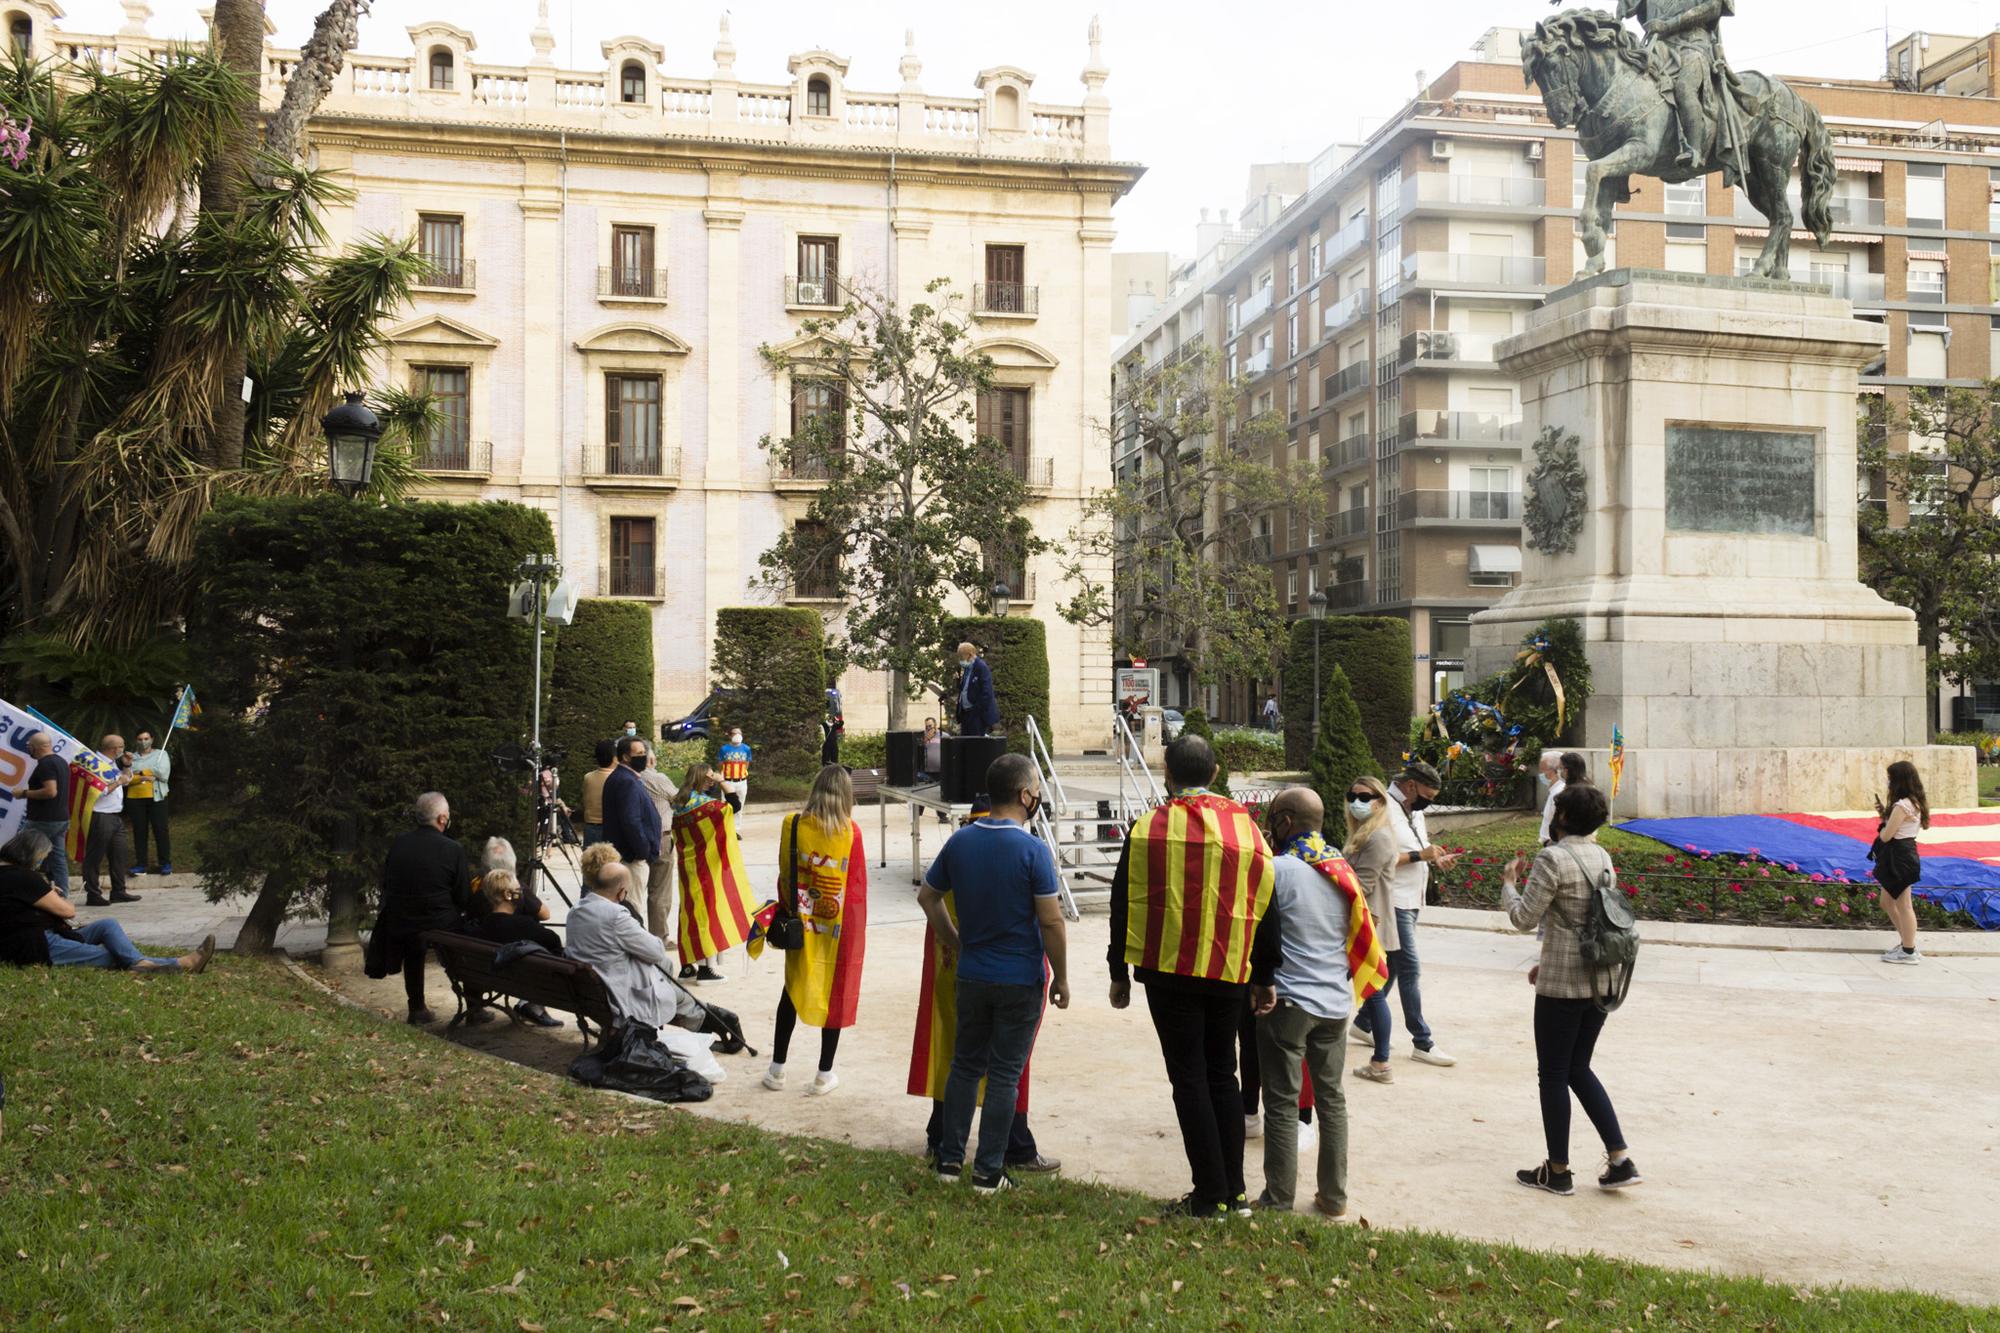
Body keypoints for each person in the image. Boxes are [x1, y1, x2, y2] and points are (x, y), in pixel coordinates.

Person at [1108, 734, 1275, 1219]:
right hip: (1229, 971)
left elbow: (1124, 903)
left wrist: (1118, 970)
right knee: (1223, 1073)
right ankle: (1236, 1193)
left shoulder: (1147, 828)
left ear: (1166, 772)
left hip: (1168, 971)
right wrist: (1264, 975)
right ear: (1216, 771)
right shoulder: (1248, 831)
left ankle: (1209, 1194)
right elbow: (1267, 908)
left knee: (1189, 1079)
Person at [919, 753, 1070, 1194]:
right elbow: (1051, 921)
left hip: (972, 973)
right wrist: (1060, 976)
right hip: (1019, 977)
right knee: (1004, 1074)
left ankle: (949, 1162)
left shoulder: (960, 842)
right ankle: (987, 1171)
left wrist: (954, 941)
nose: (1038, 797)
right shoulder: (1032, 850)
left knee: (964, 1066)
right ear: (1024, 795)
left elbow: (928, 898)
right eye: (1037, 791)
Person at [1249, 787, 1386, 1218]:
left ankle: (1278, 1198)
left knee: (1282, 1102)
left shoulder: (1279, 870)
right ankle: (1334, 1197)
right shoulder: (1339, 868)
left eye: (1273, 819)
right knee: (1332, 1101)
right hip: (1334, 1004)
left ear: (1285, 822)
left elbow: (1260, 935)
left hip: (1287, 1003)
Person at [1501, 782, 1641, 1195]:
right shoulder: (1602, 855)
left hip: (1562, 987)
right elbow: (1590, 919)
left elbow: (1525, 919)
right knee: (1579, 1068)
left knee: (1554, 1074)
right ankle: (1619, 1159)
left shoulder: (1553, 858)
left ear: (1561, 817)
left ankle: (1558, 1170)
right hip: (1600, 980)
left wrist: (1509, 885)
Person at [565, 858, 731, 1080]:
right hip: (618, 999)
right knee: (662, 972)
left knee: (662, 973)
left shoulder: (576, 911)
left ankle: (704, 1018)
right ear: (622, 892)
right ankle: (708, 1018)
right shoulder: (616, 916)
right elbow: (655, 950)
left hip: (588, 993)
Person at [762, 765, 867, 1096]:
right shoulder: (852, 833)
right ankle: (824, 1074)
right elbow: (856, 890)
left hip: (800, 924)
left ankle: (776, 1070)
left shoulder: (792, 824)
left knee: (792, 989)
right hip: (836, 930)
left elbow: (785, 873)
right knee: (833, 995)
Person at [1352, 760, 1457, 1067]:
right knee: (1409, 968)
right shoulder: (1383, 808)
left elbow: (1417, 849)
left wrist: (1433, 858)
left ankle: (1363, 1022)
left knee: (1394, 967)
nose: (1430, 801)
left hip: (1412, 899)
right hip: (1392, 900)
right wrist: (1418, 856)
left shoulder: (1414, 809)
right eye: (1428, 794)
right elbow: (1379, 855)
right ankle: (1422, 1041)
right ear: (1411, 786)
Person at [0, 830, 213, 972]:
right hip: (36, 944)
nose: (41, 863)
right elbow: (67, 911)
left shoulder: (11, 875)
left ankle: (139, 962)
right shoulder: (24, 877)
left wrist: (46, 894)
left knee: (106, 925)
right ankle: (180, 964)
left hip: (30, 937)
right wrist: (54, 895)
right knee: (109, 954)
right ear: (32, 853)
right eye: (42, 857)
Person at [370, 792, 471, 1026]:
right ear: (443, 819)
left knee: (414, 945)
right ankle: (474, 1006)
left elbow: (387, 882)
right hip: (439, 921)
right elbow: (463, 896)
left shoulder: (399, 843)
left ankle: (416, 1007)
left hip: (402, 918)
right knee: (468, 939)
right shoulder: (452, 849)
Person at [1343, 775, 1404, 1086]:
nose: (1358, 802)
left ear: (1380, 801)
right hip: (1365, 922)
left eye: (1365, 797)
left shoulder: (1378, 837)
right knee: (1372, 992)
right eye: (1352, 796)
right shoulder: (1363, 834)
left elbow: (1362, 885)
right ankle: (1380, 1060)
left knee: (1374, 993)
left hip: (1371, 924)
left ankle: (1381, 1062)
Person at [671, 764, 740, 983]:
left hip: (686, 865)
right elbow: (734, 805)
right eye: (710, 778)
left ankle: (687, 966)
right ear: (703, 779)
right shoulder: (705, 805)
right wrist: (723, 781)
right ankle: (705, 969)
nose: (713, 782)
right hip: (705, 866)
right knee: (707, 913)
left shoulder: (679, 802)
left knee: (688, 913)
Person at [1871, 760, 1929, 965]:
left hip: (1900, 857)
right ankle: (1906, 942)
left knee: (1904, 905)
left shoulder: (1903, 805)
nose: (1888, 783)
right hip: (1902, 855)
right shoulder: (1912, 802)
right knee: (1886, 902)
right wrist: (1884, 814)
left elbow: (1887, 836)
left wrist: (1884, 825)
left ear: (1898, 781)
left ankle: (1909, 950)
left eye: (1890, 779)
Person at [603, 736, 662, 931]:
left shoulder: (624, 778)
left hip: (629, 854)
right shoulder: (626, 781)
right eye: (639, 754)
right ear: (625, 757)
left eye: (644, 754)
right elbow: (631, 821)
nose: (643, 758)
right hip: (631, 857)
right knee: (632, 909)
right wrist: (642, 850)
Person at [80, 734, 139, 907]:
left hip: (115, 815)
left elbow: (127, 781)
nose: (124, 749)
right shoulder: (95, 763)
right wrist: (118, 782)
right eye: (122, 746)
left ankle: (118, 891)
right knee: (95, 856)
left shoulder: (113, 763)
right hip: (100, 815)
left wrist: (127, 766)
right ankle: (93, 893)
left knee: (119, 854)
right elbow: (100, 791)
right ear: (115, 749)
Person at [10, 731, 71, 897]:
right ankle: (62, 896)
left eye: (29, 745)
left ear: (36, 747)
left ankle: (24, 894)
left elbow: (51, 791)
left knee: (23, 855)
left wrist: (24, 793)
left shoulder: (46, 764)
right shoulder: (61, 762)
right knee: (58, 859)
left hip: (43, 820)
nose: (28, 748)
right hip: (61, 818)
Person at [638, 759, 680, 944]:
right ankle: (659, 936)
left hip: (637, 836)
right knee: (660, 889)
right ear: (651, 760)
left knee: (635, 889)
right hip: (661, 836)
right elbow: (680, 799)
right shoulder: (658, 778)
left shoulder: (628, 779)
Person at [124, 729, 173, 876]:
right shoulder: (130, 757)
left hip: (157, 798)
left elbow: (164, 774)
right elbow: (126, 779)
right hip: (135, 799)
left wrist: (140, 772)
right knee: (139, 831)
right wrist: (148, 775)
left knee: (160, 830)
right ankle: (141, 865)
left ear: (152, 739)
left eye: (146, 738)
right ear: (136, 740)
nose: (143, 742)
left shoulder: (161, 754)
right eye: (140, 739)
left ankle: (165, 863)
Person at [1538, 752, 1587, 847]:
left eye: (1543, 770)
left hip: (1558, 844)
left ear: (1555, 770)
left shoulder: (1560, 793)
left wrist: (1552, 842)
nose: (1541, 774)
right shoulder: (1555, 791)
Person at [953, 642, 1000, 737]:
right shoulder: (966, 668)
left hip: (976, 715)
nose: (960, 660)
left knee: (976, 744)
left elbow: (986, 693)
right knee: (965, 743)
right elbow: (965, 689)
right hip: (965, 714)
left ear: (970, 655)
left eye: (961, 657)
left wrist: (975, 710)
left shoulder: (981, 668)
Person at [580, 738, 617, 847]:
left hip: (590, 827)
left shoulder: (588, 777)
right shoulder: (618, 778)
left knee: (592, 862)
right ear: (615, 758)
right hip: (611, 827)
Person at [718, 729, 752, 814]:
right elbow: (720, 764)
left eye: (739, 733)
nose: (738, 735)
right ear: (730, 736)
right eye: (735, 733)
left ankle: (737, 827)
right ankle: (725, 826)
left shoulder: (747, 748)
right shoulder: (724, 749)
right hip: (728, 782)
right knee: (725, 806)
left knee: (739, 807)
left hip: (742, 782)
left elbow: (747, 764)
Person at [821, 686, 845, 766]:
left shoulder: (834, 726)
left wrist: (836, 719)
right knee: (826, 760)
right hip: (826, 744)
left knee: (834, 759)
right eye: (829, 719)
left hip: (833, 745)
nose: (831, 720)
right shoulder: (824, 725)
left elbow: (841, 723)